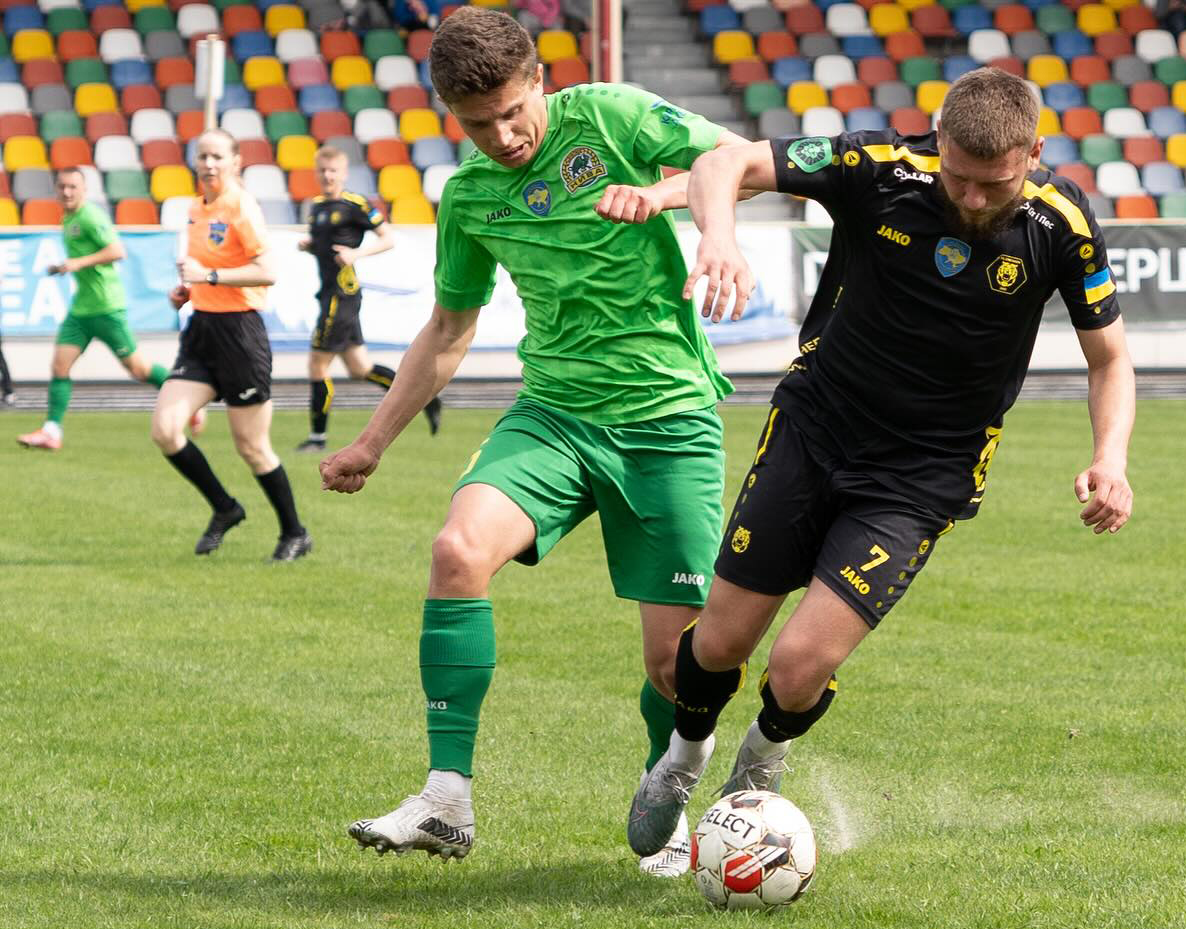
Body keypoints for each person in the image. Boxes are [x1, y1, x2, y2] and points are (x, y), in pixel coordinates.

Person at [628, 67, 1137, 858]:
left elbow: (1109, 359)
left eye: (995, 183)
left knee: (798, 665)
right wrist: (718, 236)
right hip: (814, 432)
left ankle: (759, 763)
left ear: (1035, 154)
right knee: (718, 644)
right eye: (959, 177)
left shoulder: (1062, 224)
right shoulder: (877, 168)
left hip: (923, 476)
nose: (973, 198)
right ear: (937, 141)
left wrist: (1111, 458)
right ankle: (683, 755)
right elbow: (725, 161)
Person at [318, 7, 750, 876]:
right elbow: (449, 329)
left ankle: (670, 789)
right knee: (456, 550)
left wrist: (688, 212)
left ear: (540, 81)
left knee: (675, 666)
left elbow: (731, 156)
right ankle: (446, 798)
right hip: (552, 413)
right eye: (479, 124)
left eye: (515, 112)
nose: (505, 136)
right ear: (451, 114)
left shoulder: (612, 116)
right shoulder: (469, 197)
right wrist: (372, 441)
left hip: (666, 421)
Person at [154, 128, 312, 562]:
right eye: (202, 156)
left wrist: (210, 277)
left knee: (252, 448)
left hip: (240, 335)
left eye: (217, 157)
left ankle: (295, 533)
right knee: (165, 430)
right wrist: (186, 292)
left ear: (236, 162)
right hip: (202, 331)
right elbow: (204, 272)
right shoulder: (195, 208)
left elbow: (267, 271)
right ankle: (225, 508)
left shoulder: (241, 206)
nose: (209, 164)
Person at [16, 168, 179, 450]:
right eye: (62, 187)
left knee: (139, 369)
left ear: (84, 190)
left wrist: (77, 264)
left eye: (73, 187)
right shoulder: (68, 218)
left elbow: (117, 251)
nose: (67, 192)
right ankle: (51, 431)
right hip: (81, 310)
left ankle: (185, 396)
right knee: (59, 366)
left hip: (106, 308)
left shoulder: (91, 216)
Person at [296, 146, 440, 453]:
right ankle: (425, 398)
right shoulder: (317, 206)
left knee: (317, 365)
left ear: (344, 173)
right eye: (323, 171)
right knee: (359, 368)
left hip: (341, 295)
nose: (328, 176)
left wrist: (356, 254)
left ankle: (317, 439)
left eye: (333, 170)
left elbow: (388, 238)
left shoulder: (355, 204)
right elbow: (327, 245)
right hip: (329, 293)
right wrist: (310, 246)